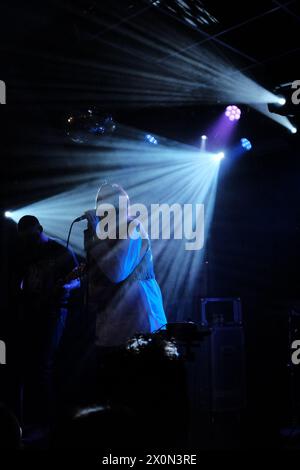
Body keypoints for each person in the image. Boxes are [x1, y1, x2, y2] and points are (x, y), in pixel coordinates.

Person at [84, 183, 167, 348]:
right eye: (98, 201)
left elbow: (117, 272)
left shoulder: (132, 227)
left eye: (102, 201)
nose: (98, 207)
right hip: (111, 323)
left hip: (138, 320)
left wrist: (95, 239)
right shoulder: (104, 233)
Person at [17, 215, 80, 427]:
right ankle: (28, 420)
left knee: (45, 365)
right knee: (28, 366)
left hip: (55, 312)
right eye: (24, 238)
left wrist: (65, 287)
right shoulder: (26, 251)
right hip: (31, 313)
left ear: (40, 229)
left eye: (31, 236)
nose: (28, 241)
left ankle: (47, 423)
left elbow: (78, 280)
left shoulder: (60, 251)